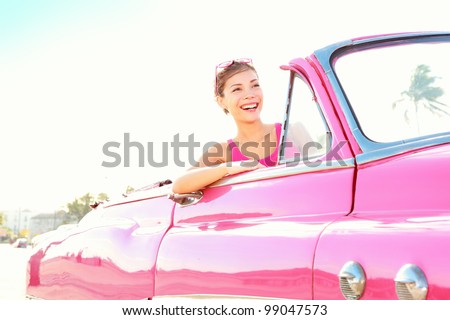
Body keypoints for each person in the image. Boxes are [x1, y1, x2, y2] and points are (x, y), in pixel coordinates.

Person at [172, 59, 281, 194]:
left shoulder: (290, 131)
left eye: (255, 85)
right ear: (221, 101)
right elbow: (179, 185)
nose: (250, 95)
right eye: (237, 89)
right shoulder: (222, 150)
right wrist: (228, 167)